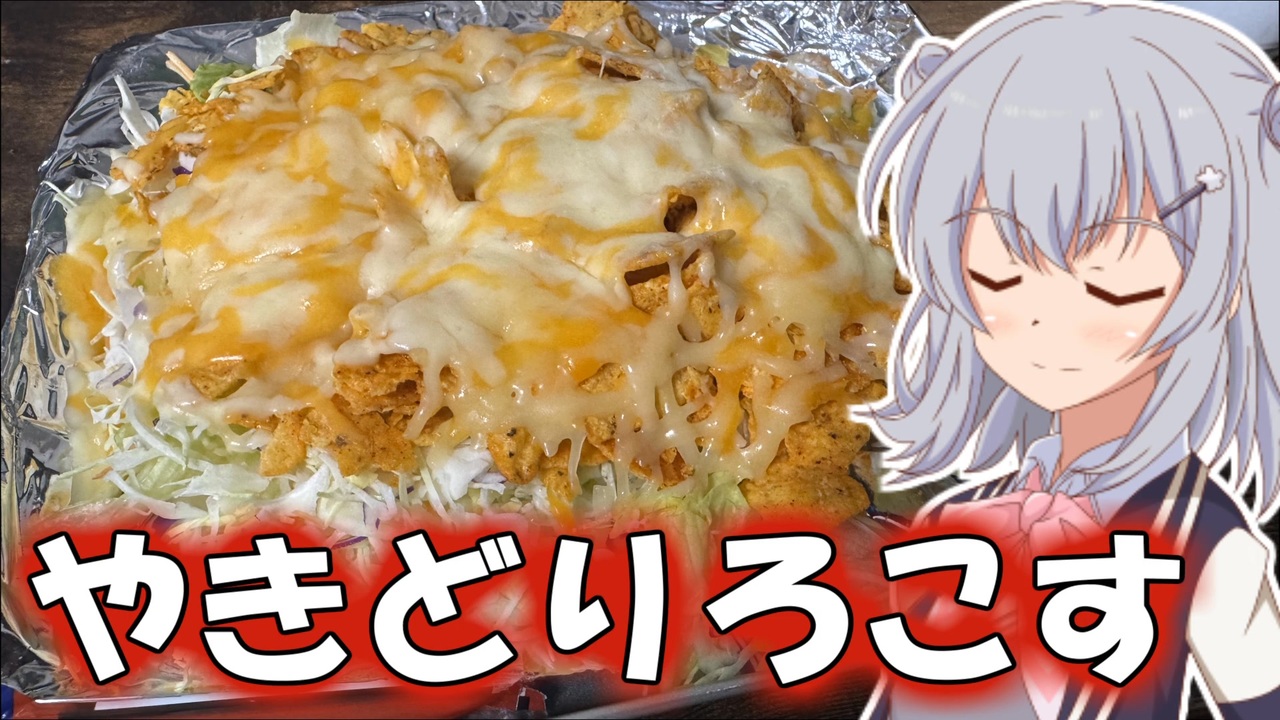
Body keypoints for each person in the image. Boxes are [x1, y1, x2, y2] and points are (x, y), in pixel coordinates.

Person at [855, 1, 1280, 718]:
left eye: (1114, 290)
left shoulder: (1200, 540)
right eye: (996, 280)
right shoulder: (962, 512)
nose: (1043, 324)